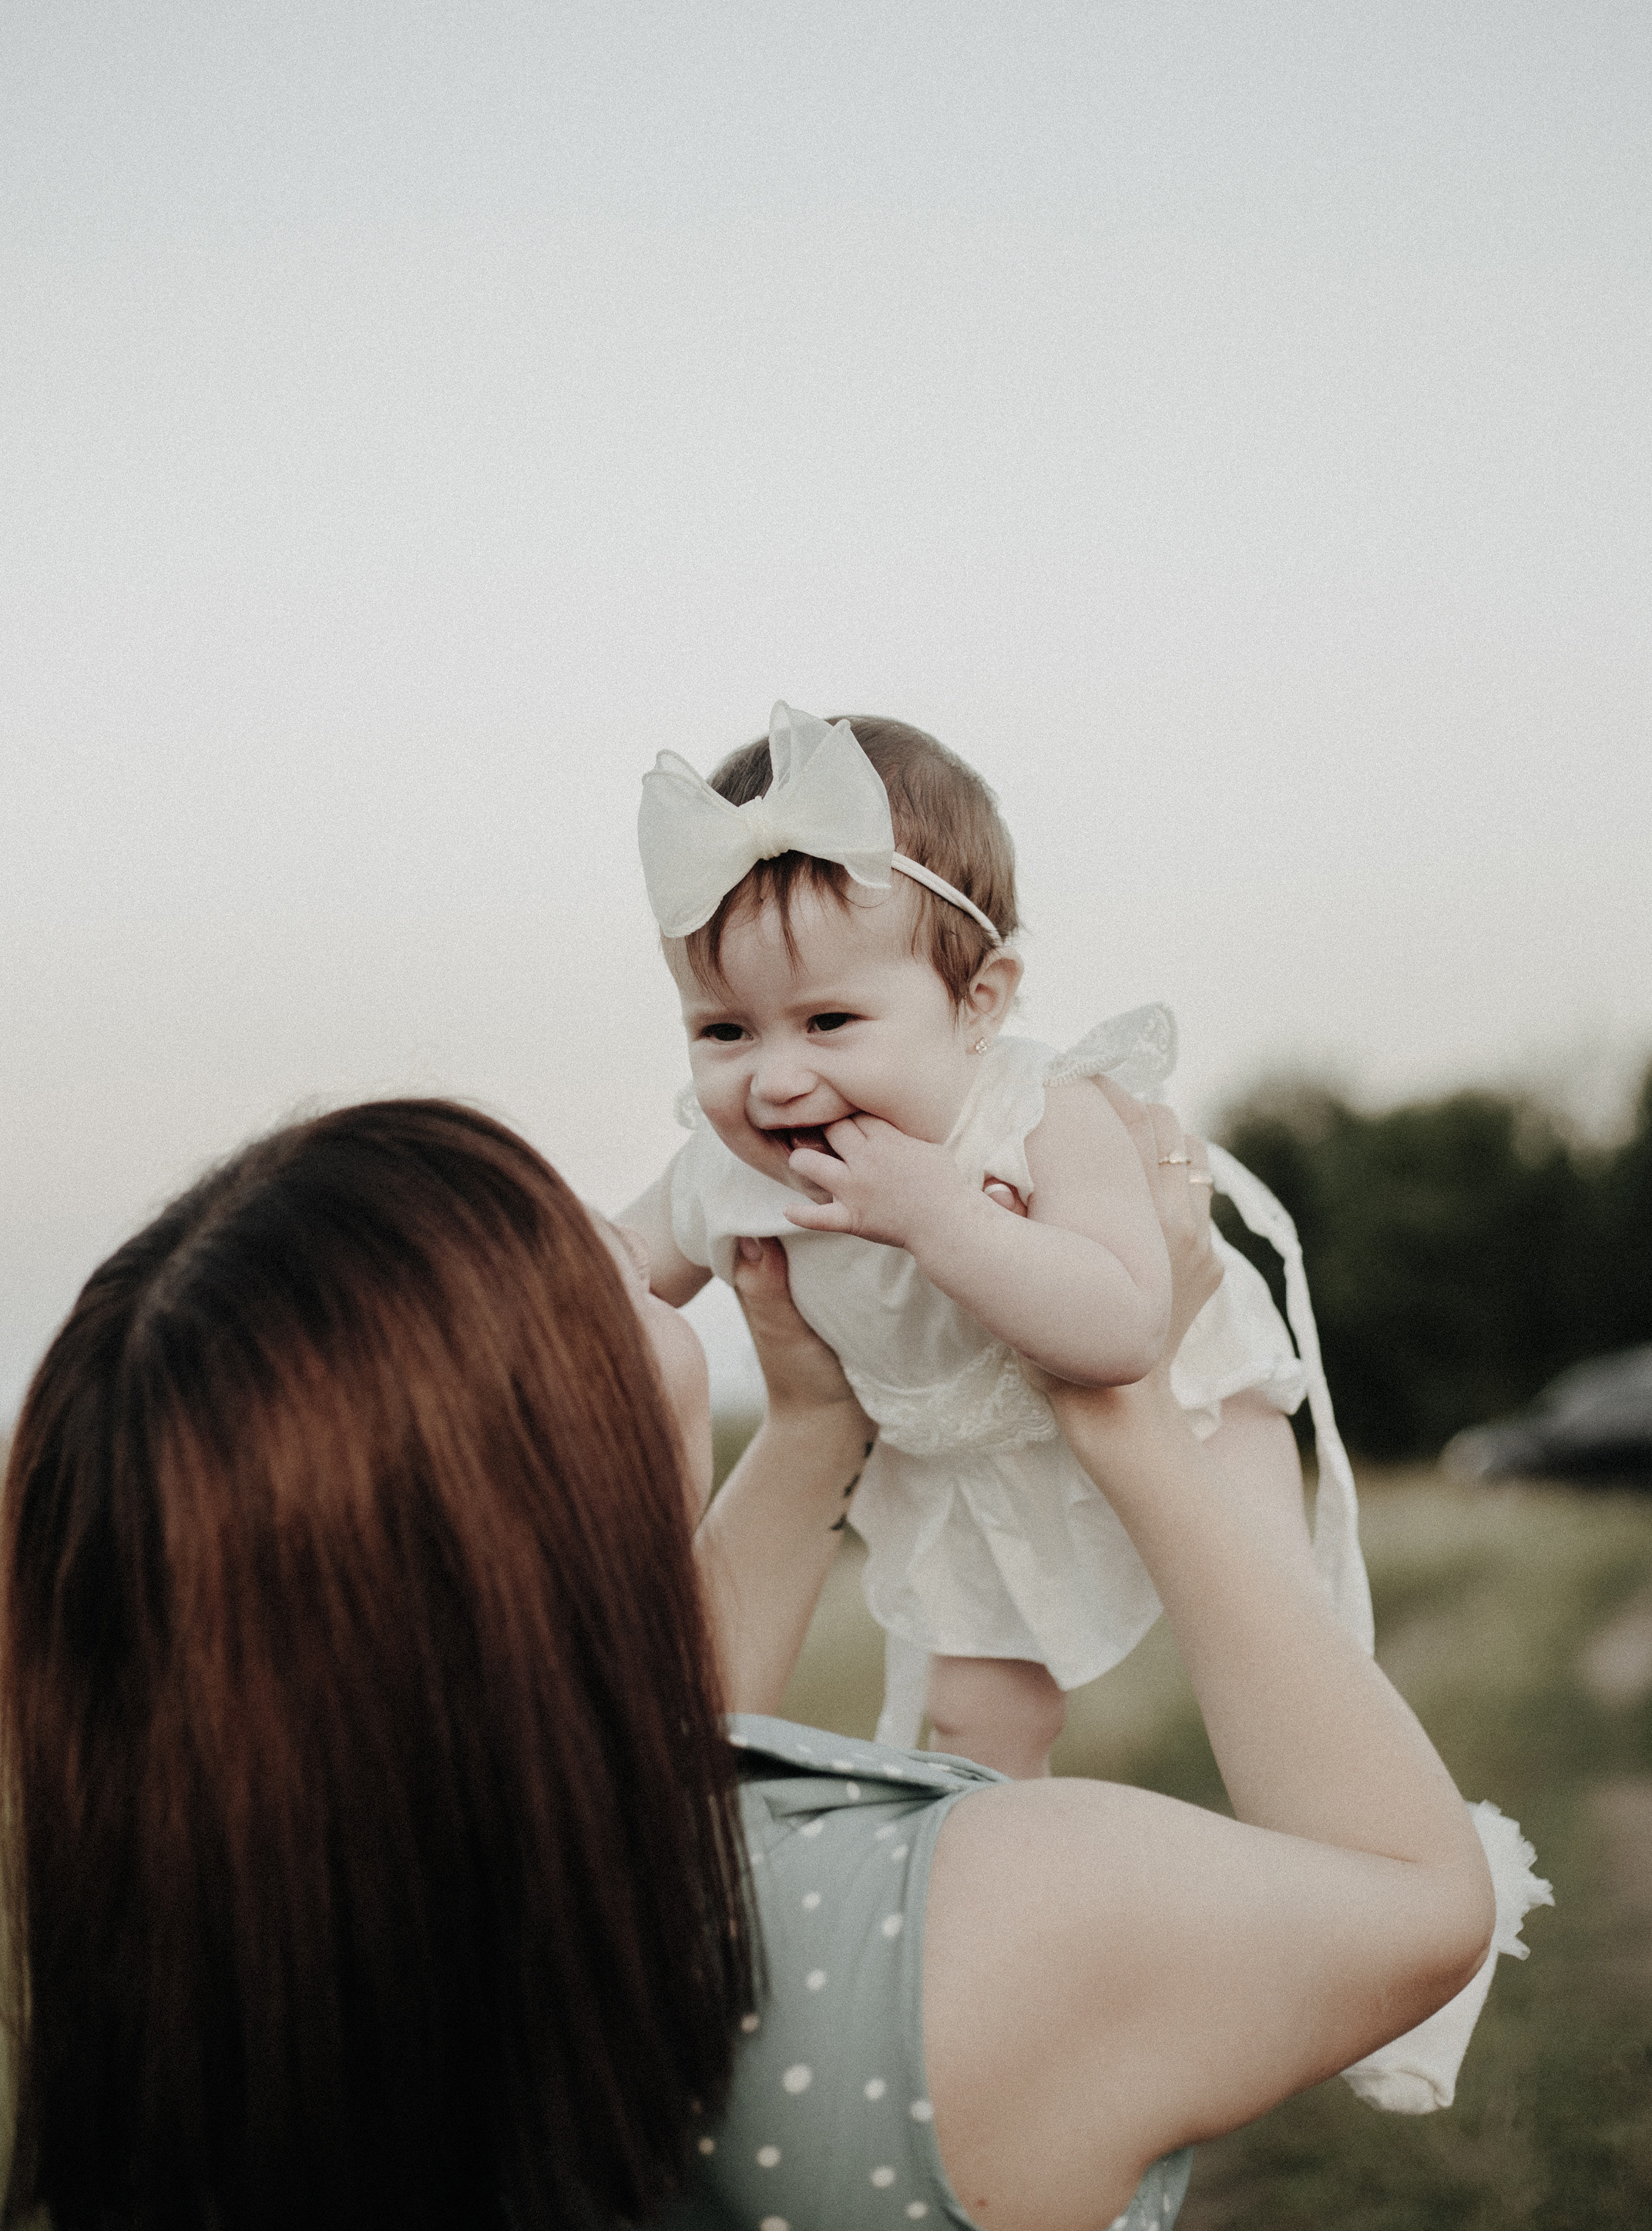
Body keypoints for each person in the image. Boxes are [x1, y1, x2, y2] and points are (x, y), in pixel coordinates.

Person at [3, 1091, 1513, 2229]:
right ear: (539, 1467)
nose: (623, 1241)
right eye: (563, 1251)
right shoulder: (962, 1941)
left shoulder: (218, 1987)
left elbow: (615, 1766)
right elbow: (1413, 1903)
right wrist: (1122, 1406)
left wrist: (809, 1430)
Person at [626, 701, 1343, 1781]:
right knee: (976, 1718)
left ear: (978, 1004)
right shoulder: (728, 1167)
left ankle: (1339, 1866)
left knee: (1283, 1646)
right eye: (723, 1031)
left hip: (1186, 1416)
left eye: (829, 1023)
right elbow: (602, 1267)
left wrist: (940, 1217)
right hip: (975, 1467)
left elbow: (1122, 1329)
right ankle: (1006, 1872)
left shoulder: (1042, 1114)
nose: (775, 1079)